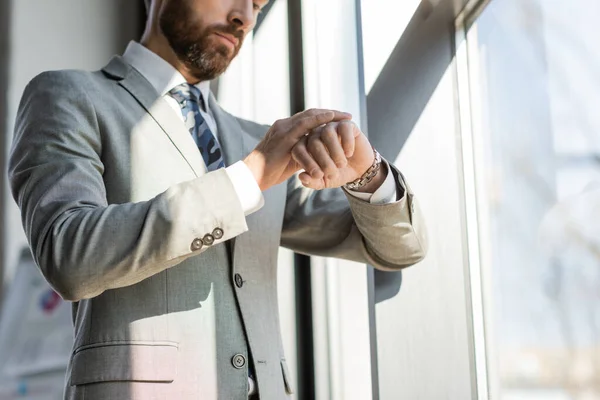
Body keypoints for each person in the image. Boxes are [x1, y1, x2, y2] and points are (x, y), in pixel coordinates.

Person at [8, 0, 428, 399]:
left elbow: (398, 249)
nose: (245, 17)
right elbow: (69, 255)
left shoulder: (255, 141)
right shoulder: (67, 96)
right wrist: (249, 177)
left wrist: (366, 171)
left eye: (259, 6)